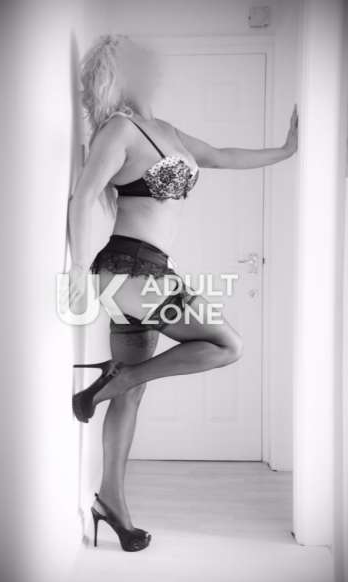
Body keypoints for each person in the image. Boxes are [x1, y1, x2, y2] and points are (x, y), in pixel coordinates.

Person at [68, 34, 298, 552]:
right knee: (227, 344)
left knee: (130, 393)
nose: (154, 70)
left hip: (150, 270)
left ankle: (111, 503)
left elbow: (219, 155)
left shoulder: (167, 131)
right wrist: (79, 269)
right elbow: (84, 194)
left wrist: (286, 151)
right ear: (121, 74)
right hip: (127, 270)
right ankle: (111, 380)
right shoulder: (119, 129)